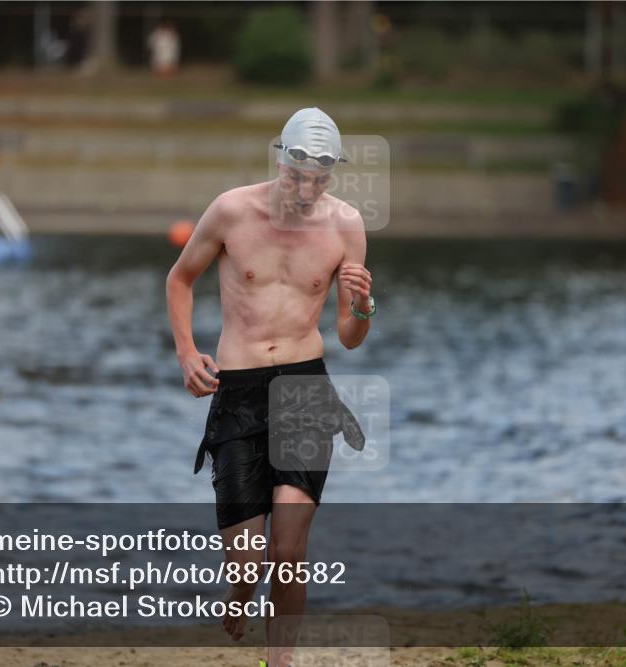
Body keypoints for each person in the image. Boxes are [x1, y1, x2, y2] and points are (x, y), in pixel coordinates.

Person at [166, 108, 375, 667]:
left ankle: (279, 660)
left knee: (287, 549)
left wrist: (363, 304)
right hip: (238, 389)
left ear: (332, 175)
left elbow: (350, 336)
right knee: (248, 560)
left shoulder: (346, 224)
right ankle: (240, 590)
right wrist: (186, 352)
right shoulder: (231, 210)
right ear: (279, 159)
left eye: (319, 180)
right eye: (296, 176)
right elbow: (180, 278)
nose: (306, 190)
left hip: (306, 390)